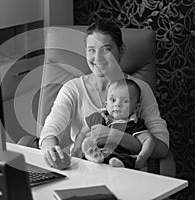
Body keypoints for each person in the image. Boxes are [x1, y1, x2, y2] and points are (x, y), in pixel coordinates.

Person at [39, 18, 169, 169]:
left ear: (121, 50)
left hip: (127, 173)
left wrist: (116, 137)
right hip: (85, 172)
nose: (98, 58)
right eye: (91, 50)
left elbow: (162, 147)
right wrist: (52, 151)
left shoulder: (139, 89)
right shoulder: (73, 89)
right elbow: (50, 130)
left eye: (106, 49)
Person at [71, 79, 155, 169]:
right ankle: (94, 156)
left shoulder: (133, 124)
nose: (117, 104)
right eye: (113, 100)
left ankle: (118, 163)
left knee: (127, 159)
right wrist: (77, 147)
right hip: (94, 162)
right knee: (86, 154)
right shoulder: (98, 117)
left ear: (136, 108)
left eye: (125, 101)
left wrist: (142, 157)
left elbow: (148, 140)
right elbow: (83, 133)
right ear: (106, 104)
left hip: (119, 159)